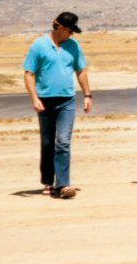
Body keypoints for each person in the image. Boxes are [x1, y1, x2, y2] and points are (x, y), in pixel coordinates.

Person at [22, 11, 92, 199]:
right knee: (47, 142)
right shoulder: (39, 45)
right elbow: (28, 74)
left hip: (67, 100)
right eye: (69, 30)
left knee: (63, 142)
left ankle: (62, 185)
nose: (71, 34)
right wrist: (34, 98)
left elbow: (81, 71)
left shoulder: (73, 46)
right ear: (59, 27)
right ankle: (47, 180)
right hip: (45, 100)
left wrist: (87, 95)